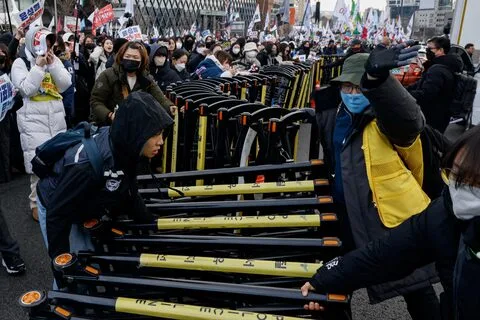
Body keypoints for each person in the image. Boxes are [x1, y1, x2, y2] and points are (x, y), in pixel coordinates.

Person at [312, 44, 444, 320]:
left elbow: (410, 121)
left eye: (358, 88)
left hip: (389, 217)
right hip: (345, 212)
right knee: (335, 280)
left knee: (415, 287)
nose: (351, 94)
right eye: (346, 87)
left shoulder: (386, 119)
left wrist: (378, 83)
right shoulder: (331, 114)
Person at [301, 125, 480, 320]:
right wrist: (324, 280)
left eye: (472, 182)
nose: (459, 187)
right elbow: (388, 252)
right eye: (453, 174)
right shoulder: (446, 212)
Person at [37, 91, 173, 262]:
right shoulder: (86, 165)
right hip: (55, 202)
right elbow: (56, 215)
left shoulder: (127, 147)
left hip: (81, 198)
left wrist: (149, 221)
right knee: (77, 267)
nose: (161, 141)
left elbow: (129, 189)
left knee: (88, 254)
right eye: (155, 134)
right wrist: (62, 267)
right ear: (137, 132)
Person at [11, 26, 72, 222]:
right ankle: (36, 204)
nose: (47, 47)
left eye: (49, 42)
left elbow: (65, 84)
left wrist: (53, 64)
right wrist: (38, 67)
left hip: (56, 116)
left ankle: (55, 201)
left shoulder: (53, 59)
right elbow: (26, 89)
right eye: (43, 42)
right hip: (33, 120)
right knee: (38, 165)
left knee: (59, 163)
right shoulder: (20, 62)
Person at [90, 41, 175, 126]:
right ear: (121, 56)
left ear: (142, 60)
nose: (131, 59)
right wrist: (110, 115)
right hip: (109, 126)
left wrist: (170, 107)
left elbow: (159, 98)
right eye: (127, 56)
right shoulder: (108, 75)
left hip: (136, 127)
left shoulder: (146, 78)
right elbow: (96, 101)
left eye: (135, 57)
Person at [407, 36, 463, 133]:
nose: (427, 51)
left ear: (440, 50)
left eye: (430, 49)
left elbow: (426, 94)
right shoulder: (447, 65)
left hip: (431, 117)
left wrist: (405, 95)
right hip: (442, 116)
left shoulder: (437, 69)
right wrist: (404, 89)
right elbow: (420, 84)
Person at [53, 36, 75, 128]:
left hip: (63, 108)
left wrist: (66, 108)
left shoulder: (66, 64)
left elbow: (70, 88)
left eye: (55, 46)